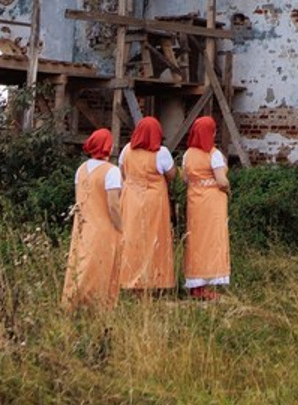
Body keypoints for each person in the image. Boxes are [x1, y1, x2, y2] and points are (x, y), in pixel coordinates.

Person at [61, 128, 123, 309]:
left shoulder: (81, 170)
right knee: (100, 265)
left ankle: (72, 300)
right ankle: (96, 302)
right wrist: (121, 227)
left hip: (82, 224)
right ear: (108, 147)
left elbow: (78, 200)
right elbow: (113, 205)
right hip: (103, 226)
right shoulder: (112, 171)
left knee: (79, 263)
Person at [118, 115, 177, 293]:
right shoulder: (161, 153)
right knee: (154, 237)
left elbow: (122, 170)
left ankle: (127, 278)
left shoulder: (127, 149)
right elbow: (172, 174)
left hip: (130, 199)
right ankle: (154, 280)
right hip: (154, 201)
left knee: (131, 236)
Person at [182, 115, 231, 299]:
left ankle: (195, 283)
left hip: (194, 200)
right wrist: (227, 188)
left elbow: (185, 178)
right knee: (212, 240)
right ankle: (207, 284)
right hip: (211, 202)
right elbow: (221, 180)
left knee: (196, 240)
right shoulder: (213, 154)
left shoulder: (188, 154)